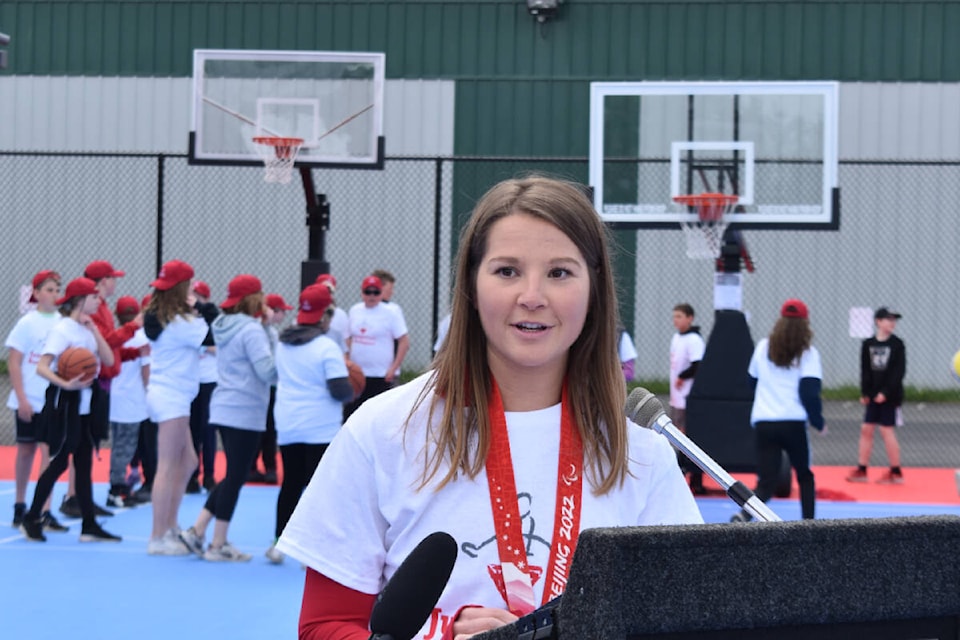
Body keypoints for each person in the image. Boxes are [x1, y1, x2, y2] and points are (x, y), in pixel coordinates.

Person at [276, 175, 703, 639]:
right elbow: (326, 626)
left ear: (594, 288)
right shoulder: (385, 429)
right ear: (471, 287)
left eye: (559, 272)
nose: (532, 296)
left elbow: (684, 622)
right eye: (507, 271)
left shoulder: (639, 443)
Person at [179, 274, 277, 562]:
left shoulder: (224, 325)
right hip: (245, 409)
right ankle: (217, 542)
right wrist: (273, 337)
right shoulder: (252, 331)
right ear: (253, 299)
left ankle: (198, 531)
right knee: (235, 477)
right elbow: (268, 372)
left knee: (232, 474)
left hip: (225, 406)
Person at [20, 277, 120, 543]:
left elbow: (109, 360)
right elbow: (42, 366)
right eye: (94, 297)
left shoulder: (86, 329)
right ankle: (31, 518)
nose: (99, 300)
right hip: (65, 405)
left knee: (84, 464)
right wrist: (66, 383)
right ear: (81, 300)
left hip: (86, 406)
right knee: (59, 462)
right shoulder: (62, 330)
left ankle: (89, 525)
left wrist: (95, 331)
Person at [265, 284, 353, 564]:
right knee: (320, 488)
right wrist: (354, 390)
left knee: (290, 481)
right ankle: (313, 552)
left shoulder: (283, 342)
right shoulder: (326, 346)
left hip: (289, 422)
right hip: (320, 426)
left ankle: (279, 542)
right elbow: (339, 390)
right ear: (325, 315)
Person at [59, 260, 143, 519]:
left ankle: (80, 497)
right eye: (112, 278)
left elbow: (110, 348)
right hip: (91, 383)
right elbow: (105, 342)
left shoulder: (102, 307)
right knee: (79, 444)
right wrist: (133, 326)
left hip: (102, 380)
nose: (115, 282)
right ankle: (72, 496)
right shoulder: (93, 309)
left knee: (88, 443)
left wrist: (131, 353)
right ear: (102, 281)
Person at [730, 298, 825, 523]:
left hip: (765, 421)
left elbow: (751, 380)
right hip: (792, 422)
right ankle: (809, 523)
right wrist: (818, 420)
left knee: (766, 481)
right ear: (805, 324)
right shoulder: (808, 353)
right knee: (804, 476)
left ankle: (744, 515)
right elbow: (809, 391)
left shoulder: (764, 347)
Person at [144, 260, 211, 555]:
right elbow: (214, 339)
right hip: (171, 396)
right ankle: (157, 536)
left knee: (188, 463)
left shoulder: (166, 318)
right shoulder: (183, 324)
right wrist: (206, 309)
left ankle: (170, 525)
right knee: (168, 465)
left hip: (174, 396)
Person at [6, 270, 68, 532]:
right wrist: (21, 398)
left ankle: (43, 509)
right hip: (29, 397)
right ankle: (19, 505)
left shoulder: (63, 323)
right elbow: (14, 361)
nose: (54, 294)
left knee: (48, 454)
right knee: (26, 451)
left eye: (56, 290)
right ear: (37, 293)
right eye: (49, 289)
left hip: (52, 400)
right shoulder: (27, 323)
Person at [846, 307, 907, 484]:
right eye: (888, 319)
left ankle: (896, 471)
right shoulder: (868, 344)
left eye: (894, 320)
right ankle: (862, 469)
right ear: (878, 321)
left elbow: (898, 372)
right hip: (873, 395)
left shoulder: (897, 344)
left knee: (886, 430)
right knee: (866, 429)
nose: (892, 323)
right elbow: (865, 370)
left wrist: (885, 393)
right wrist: (865, 392)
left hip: (890, 396)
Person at [343, 275, 409, 419]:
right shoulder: (355, 310)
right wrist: (346, 360)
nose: (371, 296)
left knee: (378, 416)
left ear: (381, 293)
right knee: (352, 415)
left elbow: (404, 341)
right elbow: (347, 338)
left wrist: (393, 368)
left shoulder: (391, 312)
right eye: (368, 292)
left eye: (376, 292)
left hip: (380, 374)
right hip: (358, 373)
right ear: (362, 293)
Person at [105, 296, 151, 508]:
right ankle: (116, 489)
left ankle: (119, 484)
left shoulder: (116, 336)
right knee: (126, 447)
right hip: (133, 402)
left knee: (118, 446)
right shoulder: (142, 337)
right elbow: (145, 372)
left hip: (115, 400)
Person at [249, 292, 292, 485]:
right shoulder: (260, 331)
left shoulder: (271, 332)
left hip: (270, 386)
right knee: (263, 429)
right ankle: (260, 467)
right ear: (274, 311)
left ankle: (269, 467)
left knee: (268, 429)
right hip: (264, 387)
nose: (284, 315)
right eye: (282, 311)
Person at [669, 303, 706, 492]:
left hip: (688, 398)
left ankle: (696, 479)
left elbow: (698, 365)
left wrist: (682, 377)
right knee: (678, 438)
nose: (676, 320)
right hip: (677, 399)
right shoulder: (677, 337)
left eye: (679, 316)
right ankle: (679, 472)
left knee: (691, 439)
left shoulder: (694, 340)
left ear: (690, 318)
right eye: (674, 316)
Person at [188, 280, 220, 493]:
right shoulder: (186, 321)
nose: (195, 300)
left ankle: (209, 475)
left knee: (208, 430)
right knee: (191, 430)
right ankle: (191, 476)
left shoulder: (213, 321)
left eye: (199, 296)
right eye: (193, 295)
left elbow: (220, 348)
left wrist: (204, 346)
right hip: (191, 381)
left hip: (209, 380)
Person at [316, 274, 349, 353]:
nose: (327, 294)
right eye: (323, 290)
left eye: (330, 291)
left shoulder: (341, 314)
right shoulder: (307, 312)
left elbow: (345, 341)